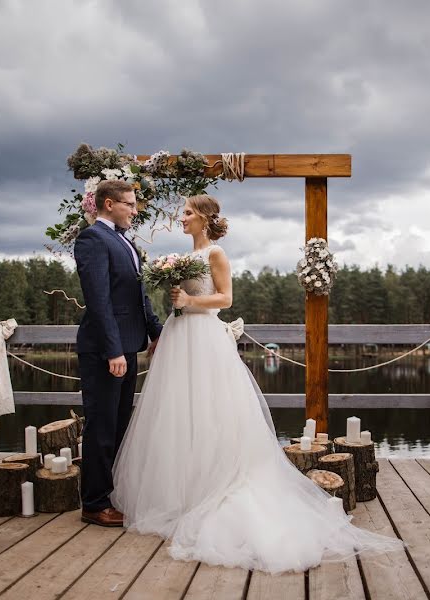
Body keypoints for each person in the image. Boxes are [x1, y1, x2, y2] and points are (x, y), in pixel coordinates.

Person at [111, 194, 401, 573]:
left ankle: (214, 484)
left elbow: (225, 300)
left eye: (186, 213)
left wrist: (188, 301)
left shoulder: (215, 254)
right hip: (179, 337)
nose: (180, 218)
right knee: (178, 412)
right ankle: (180, 492)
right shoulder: (180, 259)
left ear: (203, 218)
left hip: (203, 337)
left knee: (212, 410)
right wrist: (176, 302)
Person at [74, 179, 162, 527]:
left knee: (120, 424)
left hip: (127, 346)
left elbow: (137, 297)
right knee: (102, 427)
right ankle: (94, 504)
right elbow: (99, 300)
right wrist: (113, 350)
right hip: (105, 351)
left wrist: (157, 333)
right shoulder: (92, 239)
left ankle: (112, 493)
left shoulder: (125, 242)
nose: (134, 210)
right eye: (129, 204)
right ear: (108, 204)